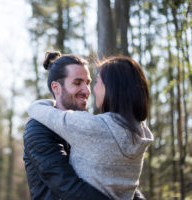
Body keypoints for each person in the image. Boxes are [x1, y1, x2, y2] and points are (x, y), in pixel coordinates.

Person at [28, 55, 154, 200]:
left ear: (113, 89)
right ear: (56, 87)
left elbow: (118, 184)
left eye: (90, 83)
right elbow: (69, 187)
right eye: (77, 83)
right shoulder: (136, 131)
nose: (88, 90)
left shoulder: (93, 126)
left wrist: (41, 109)